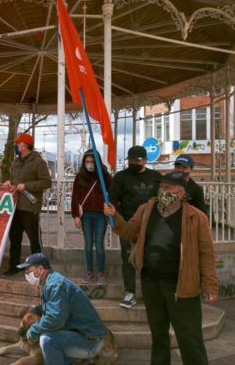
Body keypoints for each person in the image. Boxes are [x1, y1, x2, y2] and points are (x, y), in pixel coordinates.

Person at [103, 172, 218, 365]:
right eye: (161, 187)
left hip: (181, 286)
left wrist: (210, 285)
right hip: (151, 283)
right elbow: (130, 232)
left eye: (168, 188)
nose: (162, 191)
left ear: (181, 193)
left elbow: (206, 254)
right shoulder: (147, 209)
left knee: (189, 337)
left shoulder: (196, 217)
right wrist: (115, 216)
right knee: (158, 334)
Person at [17, 253, 106, 364]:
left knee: (47, 339)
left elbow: (55, 319)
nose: (27, 274)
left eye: (28, 271)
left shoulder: (56, 285)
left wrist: (33, 331)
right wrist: (35, 311)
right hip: (82, 336)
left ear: (40, 269)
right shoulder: (51, 282)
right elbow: (49, 307)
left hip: (90, 342)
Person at [109, 145, 162, 309]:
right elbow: (112, 200)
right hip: (128, 225)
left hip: (152, 226)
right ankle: (129, 292)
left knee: (152, 259)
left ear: (145, 160)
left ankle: (151, 292)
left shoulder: (156, 177)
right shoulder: (120, 177)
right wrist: (118, 218)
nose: (133, 163)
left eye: (137, 160)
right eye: (131, 160)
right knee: (128, 258)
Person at [2, 133, 52, 277]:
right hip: (16, 206)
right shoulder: (16, 162)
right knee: (14, 238)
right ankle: (14, 266)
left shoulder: (38, 162)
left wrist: (27, 186)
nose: (16, 147)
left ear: (24, 145)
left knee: (35, 240)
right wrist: (9, 183)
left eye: (18, 144)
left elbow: (46, 182)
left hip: (30, 208)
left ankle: (40, 268)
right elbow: (14, 180)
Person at [71, 149, 112, 285]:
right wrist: (76, 216)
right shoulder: (80, 176)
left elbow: (111, 194)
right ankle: (89, 271)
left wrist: (111, 210)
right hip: (86, 215)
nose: (89, 164)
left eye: (92, 162)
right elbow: (75, 197)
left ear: (97, 162)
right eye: (87, 161)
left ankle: (101, 273)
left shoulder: (104, 176)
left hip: (101, 215)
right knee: (88, 245)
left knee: (99, 245)